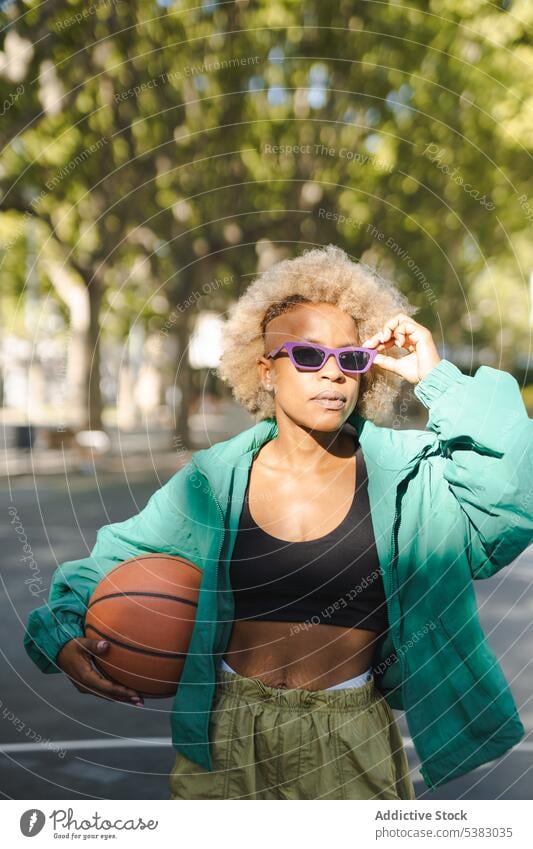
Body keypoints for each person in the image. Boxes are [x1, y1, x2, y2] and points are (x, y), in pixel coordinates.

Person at [24, 245, 532, 800]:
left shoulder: (410, 480)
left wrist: (435, 376)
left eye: (351, 359)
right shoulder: (215, 481)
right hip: (226, 738)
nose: (333, 374)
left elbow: (515, 488)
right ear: (266, 370)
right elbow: (111, 563)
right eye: (309, 356)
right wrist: (63, 635)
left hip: (350, 736)